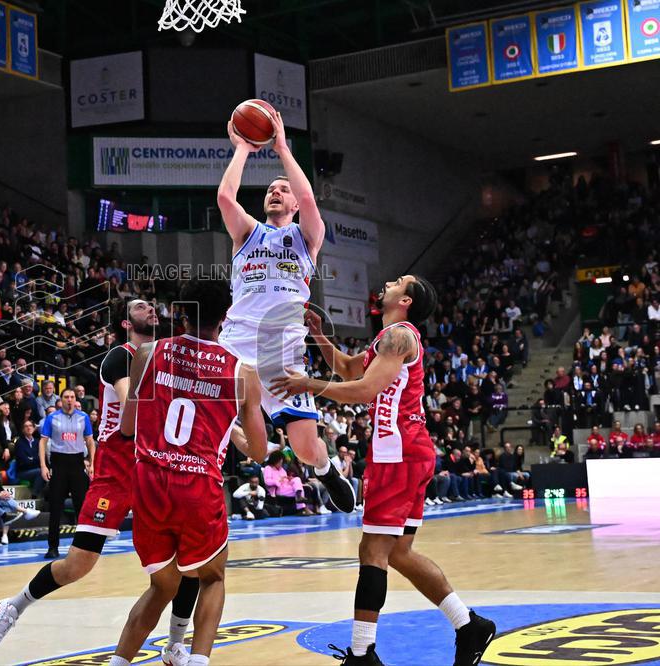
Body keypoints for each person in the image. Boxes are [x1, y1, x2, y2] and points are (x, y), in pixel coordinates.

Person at [270, 275, 495, 665]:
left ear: (405, 300)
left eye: (399, 281)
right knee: (400, 552)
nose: (389, 282)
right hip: (408, 450)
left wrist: (308, 383)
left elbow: (363, 390)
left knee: (373, 549)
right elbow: (345, 368)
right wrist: (320, 336)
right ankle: (468, 625)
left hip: (398, 451)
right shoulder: (387, 339)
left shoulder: (400, 337)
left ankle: (362, 653)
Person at [0, 300, 200, 665]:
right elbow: (135, 406)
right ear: (125, 321)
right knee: (77, 565)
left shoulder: (166, 361)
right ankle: (12, 607)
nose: (150, 309)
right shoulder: (120, 355)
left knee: (188, 560)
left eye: (152, 305)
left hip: (155, 469)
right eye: (141, 306)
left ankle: (176, 642)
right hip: (116, 470)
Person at [109, 280, 268, 666]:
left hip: (149, 480)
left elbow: (128, 428)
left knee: (161, 585)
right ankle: (196, 660)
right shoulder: (242, 373)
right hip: (198, 484)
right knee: (211, 577)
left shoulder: (148, 352)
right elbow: (260, 451)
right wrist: (226, 424)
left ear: (180, 312)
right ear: (226, 317)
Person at [216, 117, 354, 515]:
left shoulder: (307, 236)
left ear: (295, 204)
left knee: (306, 448)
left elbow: (311, 201)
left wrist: (281, 148)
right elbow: (226, 198)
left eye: (284, 190)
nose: (276, 192)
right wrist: (243, 147)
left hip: (283, 348)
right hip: (237, 342)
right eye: (271, 189)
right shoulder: (248, 233)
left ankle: (327, 471)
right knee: (205, 418)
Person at [34, 388, 95, 559]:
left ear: (76, 400)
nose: (69, 400)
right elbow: (43, 441)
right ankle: (53, 547)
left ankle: (83, 547)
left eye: (72, 397)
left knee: (81, 508)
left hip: (77, 464)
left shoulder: (83, 417)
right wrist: (43, 466)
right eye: (66, 397)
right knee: (55, 508)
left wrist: (92, 463)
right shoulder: (52, 417)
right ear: (60, 400)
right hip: (58, 464)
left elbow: (90, 441)